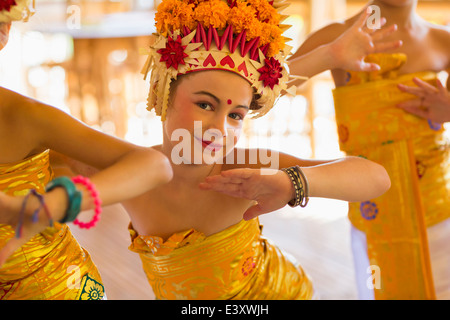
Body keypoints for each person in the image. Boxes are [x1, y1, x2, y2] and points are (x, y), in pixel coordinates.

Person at [1, 0, 397, 300]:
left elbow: (374, 176)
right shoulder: (125, 170)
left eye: (237, 117)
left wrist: (293, 182)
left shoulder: (245, 167)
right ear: (162, 94)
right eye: (204, 105)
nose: (219, 128)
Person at [0, 1, 173, 300]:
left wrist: (54, 203)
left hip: (53, 289)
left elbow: (154, 165)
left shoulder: (22, 116)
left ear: (5, 30)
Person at [290, 0, 450, 299]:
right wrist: (329, 55)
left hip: (438, 210)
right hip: (374, 210)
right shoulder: (337, 36)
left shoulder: (443, 40)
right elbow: (270, 87)